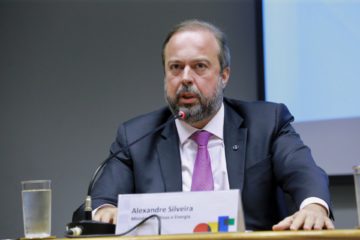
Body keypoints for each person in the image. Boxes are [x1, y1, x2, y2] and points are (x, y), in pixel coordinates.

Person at [75, 19, 334, 230]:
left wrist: (314, 206)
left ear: (224, 75)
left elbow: (303, 171)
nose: (186, 78)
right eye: (175, 67)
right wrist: (104, 210)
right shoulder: (137, 136)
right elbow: (99, 201)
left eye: (199, 66)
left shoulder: (267, 123)